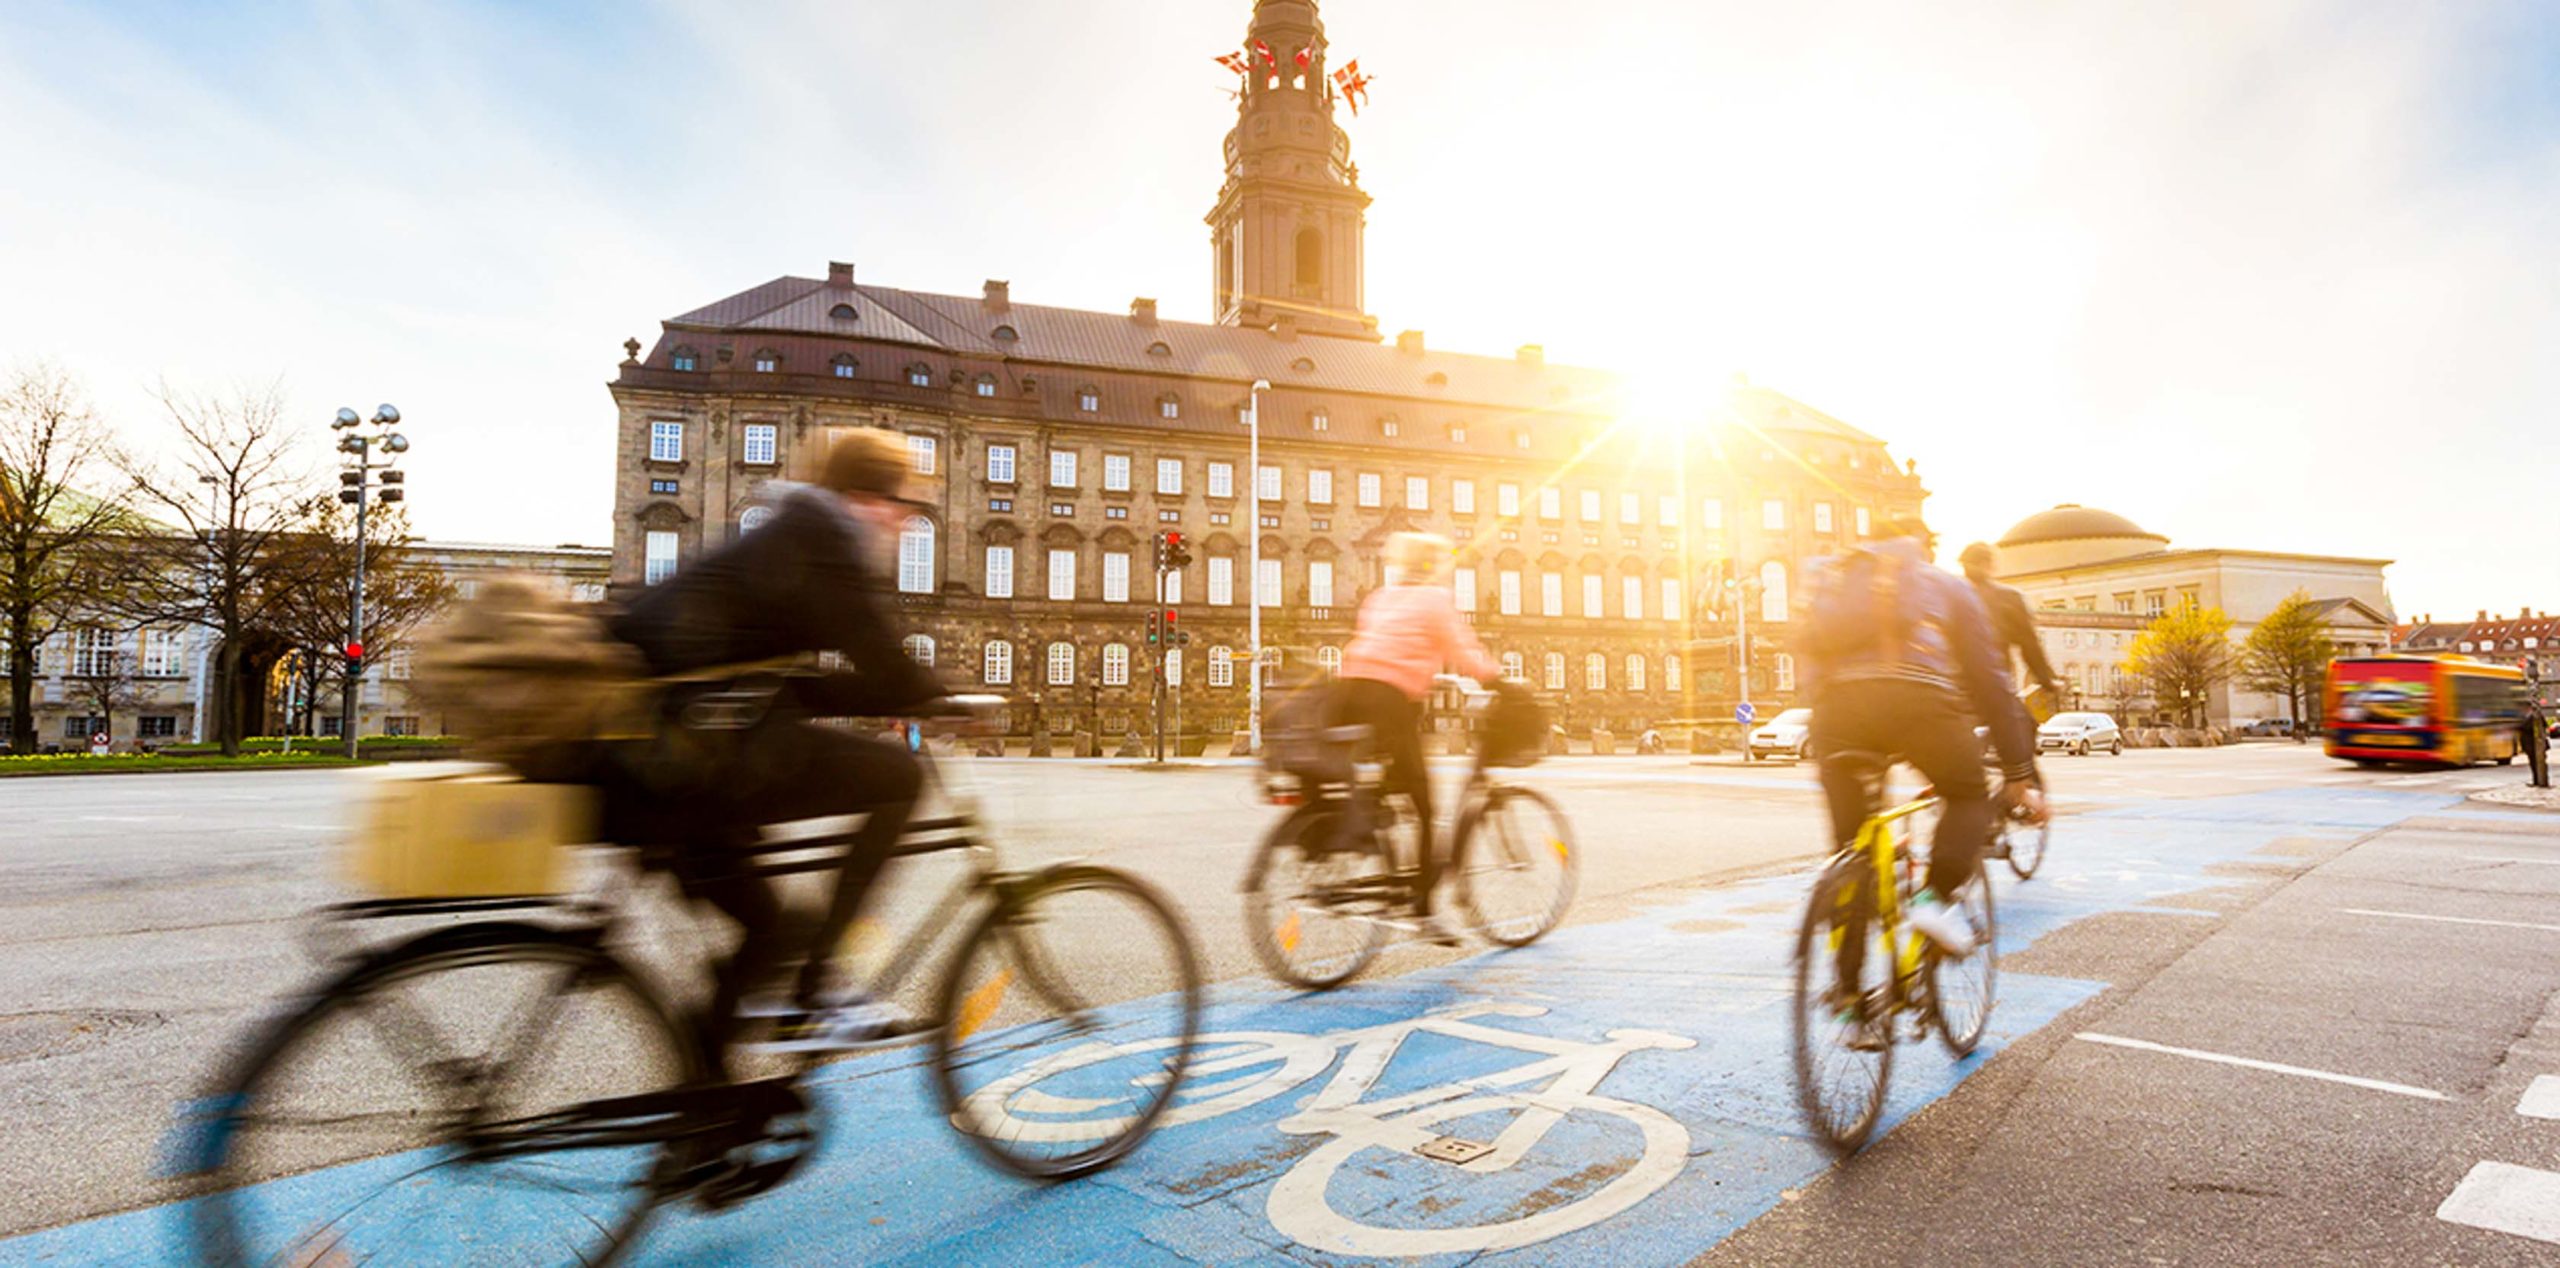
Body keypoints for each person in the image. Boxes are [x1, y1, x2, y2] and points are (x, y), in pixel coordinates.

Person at [607, 429, 947, 1067]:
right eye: (900, 502)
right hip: (677, 759)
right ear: (863, 495)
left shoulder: (793, 535)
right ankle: (821, 989)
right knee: (898, 778)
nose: (906, 520)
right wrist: (938, 694)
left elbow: (798, 686)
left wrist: (903, 693)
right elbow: (885, 667)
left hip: (658, 756)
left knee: (770, 938)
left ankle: (705, 1131)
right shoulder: (821, 543)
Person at [1803, 515, 2045, 1000]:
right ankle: (1935, 901)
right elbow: (1991, 682)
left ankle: (1849, 999)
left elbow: (1809, 654)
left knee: (1852, 849)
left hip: (1838, 714)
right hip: (1921, 706)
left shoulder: (1835, 577)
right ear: (1922, 546)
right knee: (1967, 793)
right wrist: (2018, 770)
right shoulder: (1945, 587)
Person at [1334, 531, 1503, 944]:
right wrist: (1503, 680)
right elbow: (1463, 651)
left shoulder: (1379, 598)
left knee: (1381, 787)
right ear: (1431, 567)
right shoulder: (1434, 600)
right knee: (1425, 807)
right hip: (1390, 703)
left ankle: (1362, 834)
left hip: (1349, 694)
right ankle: (1423, 910)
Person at [1957, 541, 2061, 709]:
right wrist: (2047, 680)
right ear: (1988, 564)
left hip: (1953, 686)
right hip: (1993, 683)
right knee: (2016, 729)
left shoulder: (1948, 594)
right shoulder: (2008, 598)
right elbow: (2029, 644)